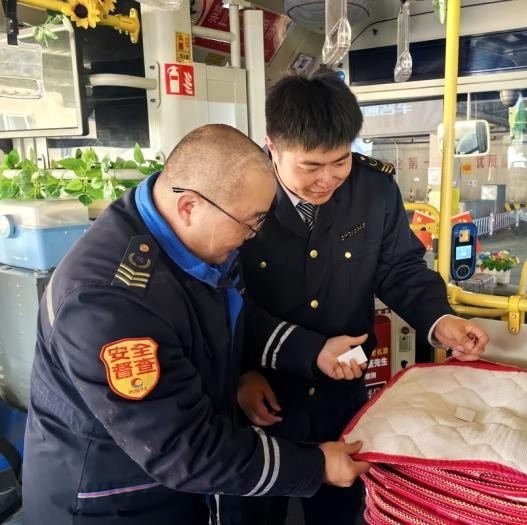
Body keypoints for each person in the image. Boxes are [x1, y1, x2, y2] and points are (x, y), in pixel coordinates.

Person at [22, 124, 369, 525]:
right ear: (189, 206)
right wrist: (315, 466)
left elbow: (232, 314)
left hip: (176, 487)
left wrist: (312, 351)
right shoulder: (108, 303)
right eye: (250, 222)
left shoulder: (187, 235)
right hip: (110, 503)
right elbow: (183, 449)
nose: (253, 236)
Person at [222, 73, 490, 524]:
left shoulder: (373, 190)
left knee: (343, 514)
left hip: (340, 399)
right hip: (260, 397)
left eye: (340, 161)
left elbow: (399, 268)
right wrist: (241, 375)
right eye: (311, 166)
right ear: (272, 146)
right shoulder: (238, 195)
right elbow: (223, 298)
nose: (328, 179)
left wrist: (440, 320)